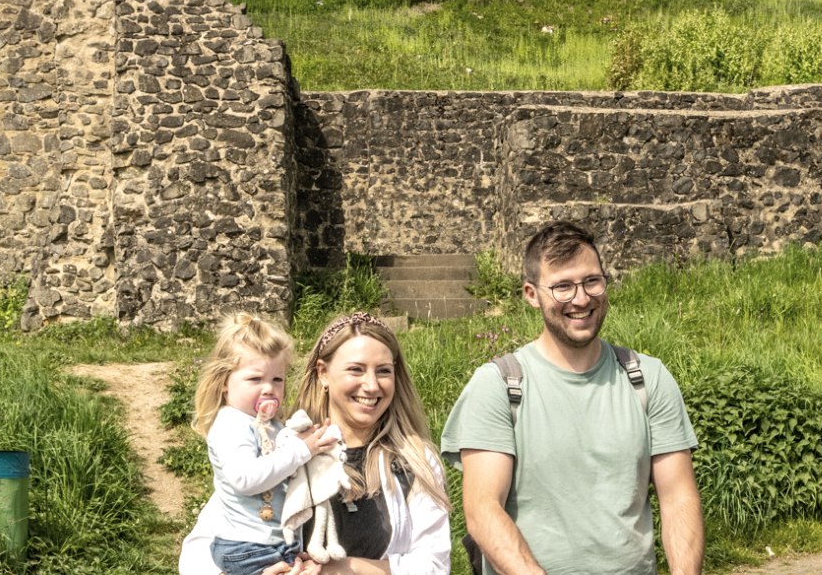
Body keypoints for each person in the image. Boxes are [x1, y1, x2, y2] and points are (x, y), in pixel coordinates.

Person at [440, 221, 704, 575]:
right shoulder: (499, 386)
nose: (581, 299)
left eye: (591, 281)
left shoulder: (648, 379)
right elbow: (483, 511)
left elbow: (678, 498)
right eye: (562, 286)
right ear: (531, 294)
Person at [181, 312, 453, 575]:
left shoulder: (414, 461)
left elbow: (434, 566)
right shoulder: (285, 445)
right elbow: (202, 549)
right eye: (356, 370)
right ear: (323, 373)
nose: (371, 385)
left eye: (383, 371)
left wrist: (347, 569)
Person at [189, 313, 337, 575]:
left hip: (271, 545)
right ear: (224, 382)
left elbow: (284, 467)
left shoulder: (270, 425)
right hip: (246, 548)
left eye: (277, 379)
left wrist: (306, 441)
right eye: (255, 379)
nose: (268, 388)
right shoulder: (230, 424)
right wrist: (302, 450)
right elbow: (245, 479)